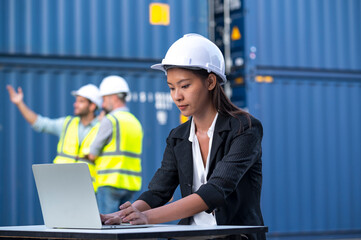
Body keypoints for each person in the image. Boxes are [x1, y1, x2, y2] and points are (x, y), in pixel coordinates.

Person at [101, 34, 265, 240]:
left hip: (234, 236)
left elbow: (214, 192)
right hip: (190, 236)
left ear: (211, 81)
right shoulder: (178, 137)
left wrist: (145, 217)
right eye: (171, 87)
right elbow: (158, 192)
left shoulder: (245, 129)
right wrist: (121, 215)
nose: (176, 95)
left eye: (185, 85)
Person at [6, 84, 102, 189]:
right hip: (61, 184)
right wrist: (20, 104)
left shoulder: (103, 127)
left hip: (88, 188)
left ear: (92, 106)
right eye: (76, 101)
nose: (75, 104)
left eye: (81, 101)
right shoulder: (67, 123)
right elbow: (40, 123)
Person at [85, 75, 143, 214]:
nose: (103, 105)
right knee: (125, 226)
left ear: (114, 97)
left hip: (110, 182)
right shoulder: (135, 122)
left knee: (108, 227)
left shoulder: (110, 120)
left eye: (104, 99)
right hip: (130, 184)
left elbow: (93, 154)